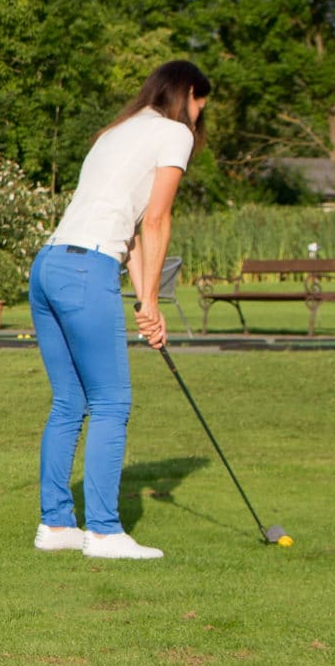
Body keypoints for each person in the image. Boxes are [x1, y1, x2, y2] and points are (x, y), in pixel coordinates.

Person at [30, 60, 211, 561]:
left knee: (69, 402)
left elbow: (128, 232)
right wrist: (150, 301)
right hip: (86, 270)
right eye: (200, 104)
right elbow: (156, 221)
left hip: (48, 266)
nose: (200, 116)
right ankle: (105, 532)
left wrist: (145, 303)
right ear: (188, 93)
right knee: (111, 403)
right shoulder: (174, 133)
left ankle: (56, 524)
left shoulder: (115, 132)